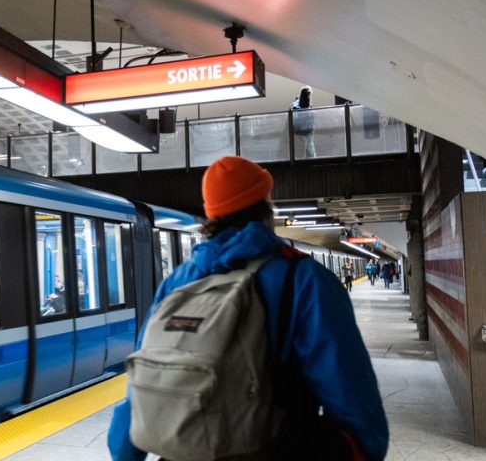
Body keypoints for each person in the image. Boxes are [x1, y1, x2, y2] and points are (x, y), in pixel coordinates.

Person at [108, 156, 388, 461]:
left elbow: (144, 375)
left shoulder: (177, 282)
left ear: (210, 214)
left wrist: (127, 454)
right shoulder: (303, 279)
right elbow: (353, 400)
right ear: (267, 205)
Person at [291, 85, 316, 158]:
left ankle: (310, 157)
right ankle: (308, 158)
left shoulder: (306, 103)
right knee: (306, 145)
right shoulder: (299, 102)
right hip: (302, 127)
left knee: (309, 144)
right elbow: (296, 109)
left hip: (306, 127)